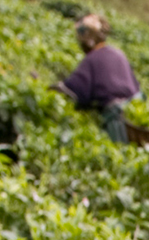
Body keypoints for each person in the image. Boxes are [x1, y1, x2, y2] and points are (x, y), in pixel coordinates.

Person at [54, 13, 140, 144]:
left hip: (116, 119)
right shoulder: (118, 53)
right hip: (134, 110)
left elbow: (77, 90)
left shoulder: (92, 58)